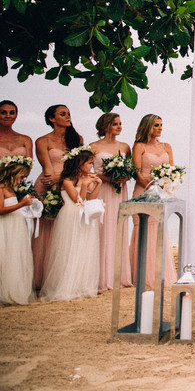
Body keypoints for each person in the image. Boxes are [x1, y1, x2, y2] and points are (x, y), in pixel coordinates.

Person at [40, 145, 101, 301]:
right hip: (70, 215)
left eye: (92, 163)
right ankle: (67, 285)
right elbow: (77, 200)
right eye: (88, 163)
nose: (91, 166)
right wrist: (85, 185)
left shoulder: (88, 178)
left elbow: (90, 199)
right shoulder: (67, 181)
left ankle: (81, 284)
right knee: (70, 249)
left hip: (83, 216)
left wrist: (98, 184)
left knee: (83, 248)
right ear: (79, 164)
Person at [32, 104, 83, 290]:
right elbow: (47, 170)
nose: (68, 117)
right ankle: (43, 278)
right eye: (63, 114)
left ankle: (64, 276)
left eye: (69, 113)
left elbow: (80, 167)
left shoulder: (77, 139)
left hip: (69, 184)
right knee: (48, 230)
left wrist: (63, 180)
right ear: (52, 119)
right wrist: (56, 186)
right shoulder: (42, 141)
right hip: (49, 186)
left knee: (68, 229)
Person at [131, 114, 177, 288]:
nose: (160, 128)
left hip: (161, 194)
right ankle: (141, 274)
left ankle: (160, 273)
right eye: (156, 125)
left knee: (159, 230)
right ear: (148, 127)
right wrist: (151, 188)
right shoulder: (139, 146)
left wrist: (167, 185)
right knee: (143, 230)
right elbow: (137, 172)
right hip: (143, 191)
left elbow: (172, 169)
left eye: (161, 125)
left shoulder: (166, 146)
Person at [90, 113, 134, 291]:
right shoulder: (93, 147)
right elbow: (87, 171)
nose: (119, 127)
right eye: (115, 124)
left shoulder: (125, 147)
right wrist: (107, 178)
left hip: (119, 191)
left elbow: (131, 169)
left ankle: (118, 275)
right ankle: (101, 276)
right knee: (102, 228)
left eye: (120, 123)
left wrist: (123, 176)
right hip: (102, 188)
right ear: (105, 125)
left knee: (118, 227)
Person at [0, 155, 36, 304]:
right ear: (12, 174)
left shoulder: (11, 189)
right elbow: (1, 209)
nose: (22, 181)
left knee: (14, 257)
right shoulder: (1, 188)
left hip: (15, 226)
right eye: (21, 177)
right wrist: (21, 204)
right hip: (6, 226)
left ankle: (13, 289)